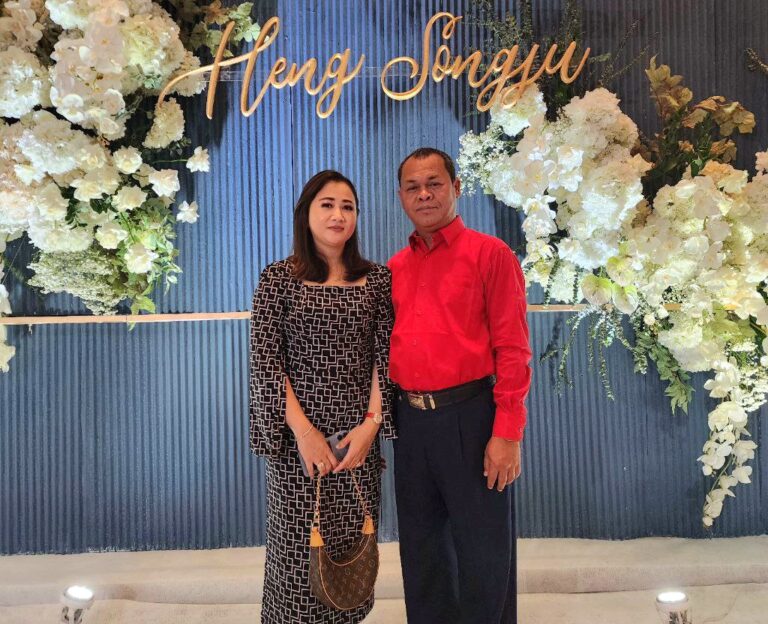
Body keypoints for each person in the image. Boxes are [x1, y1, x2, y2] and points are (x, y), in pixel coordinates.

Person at [388, 148, 532, 624]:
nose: (424, 195)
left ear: (456, 188)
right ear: (401, 197)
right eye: (413, 187)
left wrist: (507, 432)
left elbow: (513, 348)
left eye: (434, 183)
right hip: (411, 424)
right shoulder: (394, 269)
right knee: (422, 554)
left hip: (471, 418)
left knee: (483, 554)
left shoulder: (491, 255)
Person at [249, 170, 396, 623]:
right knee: (297, 559)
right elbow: (266, 362)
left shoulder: (377, 280)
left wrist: (371, 426)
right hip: (298, 448)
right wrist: (305, 434)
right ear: (306, 213)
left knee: (351, 555)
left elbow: (386, 358)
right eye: (327, 204)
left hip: (357, 444)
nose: (338, 215)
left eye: (348, 206)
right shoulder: (278, 279)